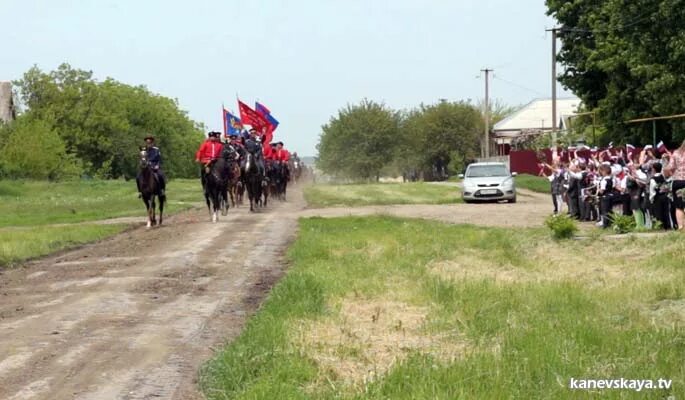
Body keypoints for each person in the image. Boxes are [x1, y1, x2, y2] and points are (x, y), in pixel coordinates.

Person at [667, 139, 685, 230]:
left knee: (679, 206)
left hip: (677, 182)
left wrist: (673, 174)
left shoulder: (676, 153)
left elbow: (670, 167)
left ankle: (681, 227)